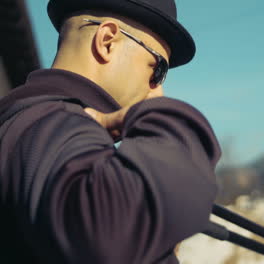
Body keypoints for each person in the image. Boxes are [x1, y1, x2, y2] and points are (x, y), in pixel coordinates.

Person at [0, 0, 221, 263]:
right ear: (107, 41)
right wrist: (168, 123)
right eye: (157, 70)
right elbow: (110, 235)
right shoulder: (54, 122)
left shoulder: (30, 122)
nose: (157, 91)